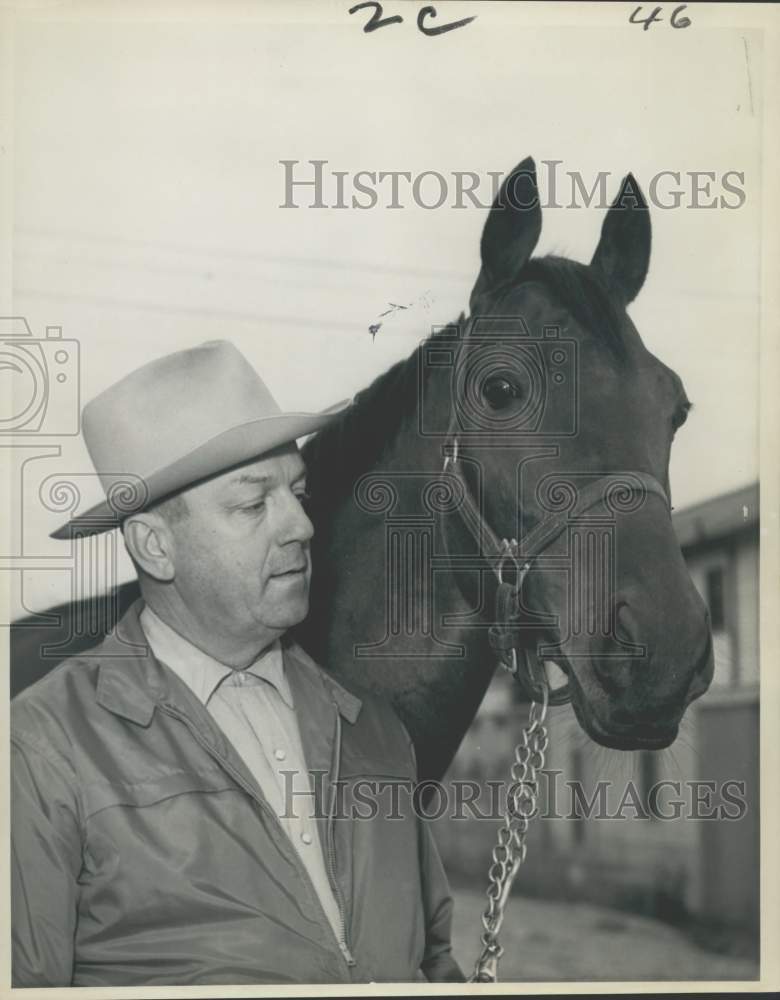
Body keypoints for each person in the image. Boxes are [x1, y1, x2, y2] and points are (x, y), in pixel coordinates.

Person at [11, 340, 464, 986]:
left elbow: (433, 962)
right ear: (154, 547)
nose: (301, 528)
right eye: (254, 505)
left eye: (297, 494)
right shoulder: (41, 750)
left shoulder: (375, 733)